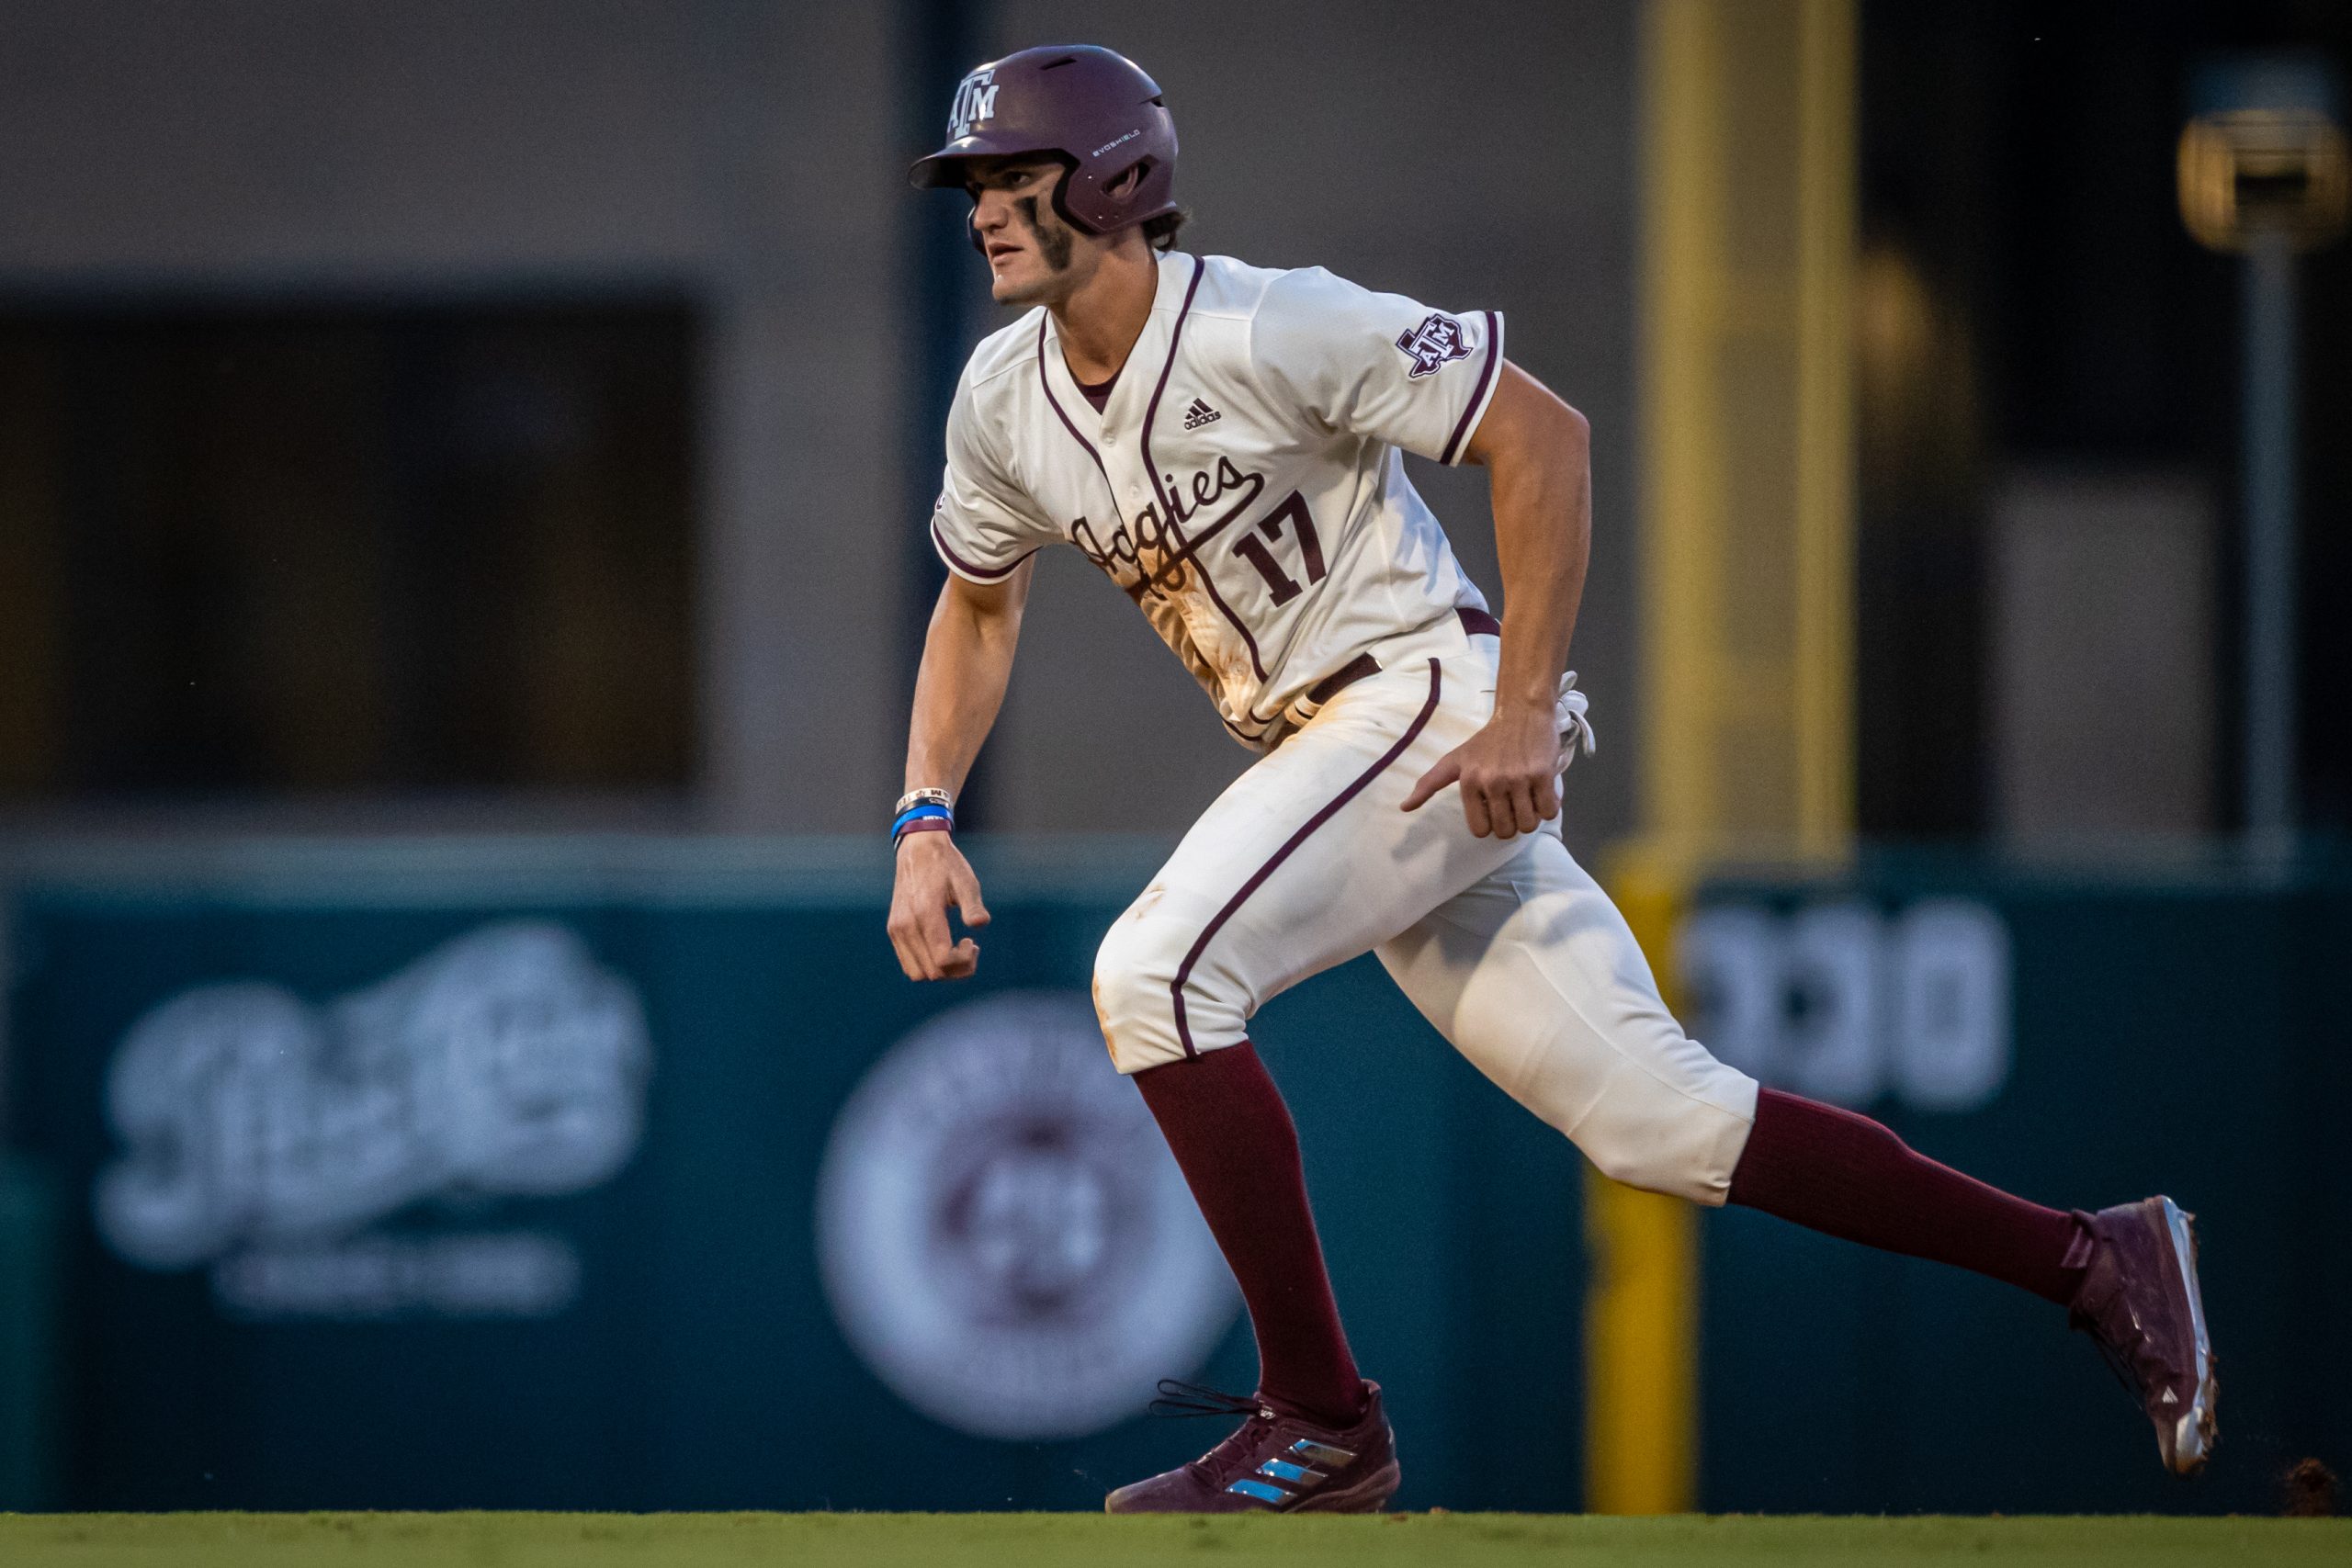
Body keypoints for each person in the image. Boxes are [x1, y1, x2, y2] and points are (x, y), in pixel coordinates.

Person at [886, 44, 2216, 1514]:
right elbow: (979, 601)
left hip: (1427, 703)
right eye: (976, 185)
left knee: (1155, 975)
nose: (986, 210)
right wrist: (926, 811)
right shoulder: (1002, 400)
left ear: (1117, 178)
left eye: (1016, 177)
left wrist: (1524, 704)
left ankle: (1320, 1422)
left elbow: (1543, 433)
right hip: (1340, 757)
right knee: (1663, 1121)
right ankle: (2097, 1260)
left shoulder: (1269, 325)